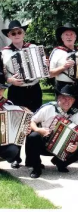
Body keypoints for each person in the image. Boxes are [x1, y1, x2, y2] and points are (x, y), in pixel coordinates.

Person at [1, 20, 43, 169]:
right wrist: (9, 80)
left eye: (19, 32)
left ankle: (32, 159)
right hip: (16, 91)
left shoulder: (33, 48)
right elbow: (1, 74)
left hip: (34, 90)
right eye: (13, 33)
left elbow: (44, 68)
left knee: (34, 123)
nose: (17, 35)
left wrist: (44, 64)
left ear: (24, 33)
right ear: (9, 35)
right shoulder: (4, 52)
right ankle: (15, 158)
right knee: (17, 124)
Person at [25, 84, 78, 178]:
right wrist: (39, 129)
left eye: (70, 99)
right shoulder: (49, 108)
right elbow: (31, 120)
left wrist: (76, 145)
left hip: (62, 146)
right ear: (58, 98)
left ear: (74, 100)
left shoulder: (75, 113)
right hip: (43, 142)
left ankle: (60, 162)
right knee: (33, 136)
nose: (67, 101)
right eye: (64, 98)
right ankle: (36, 168)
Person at [49, 23, 78, 109]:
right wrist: (64, 67)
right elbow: (50, 74)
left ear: (75, 37)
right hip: (62, 87)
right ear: (62, 38)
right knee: (62, 114)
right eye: (66, 35)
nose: (69, 37)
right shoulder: (56, 51)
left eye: (71, 34)